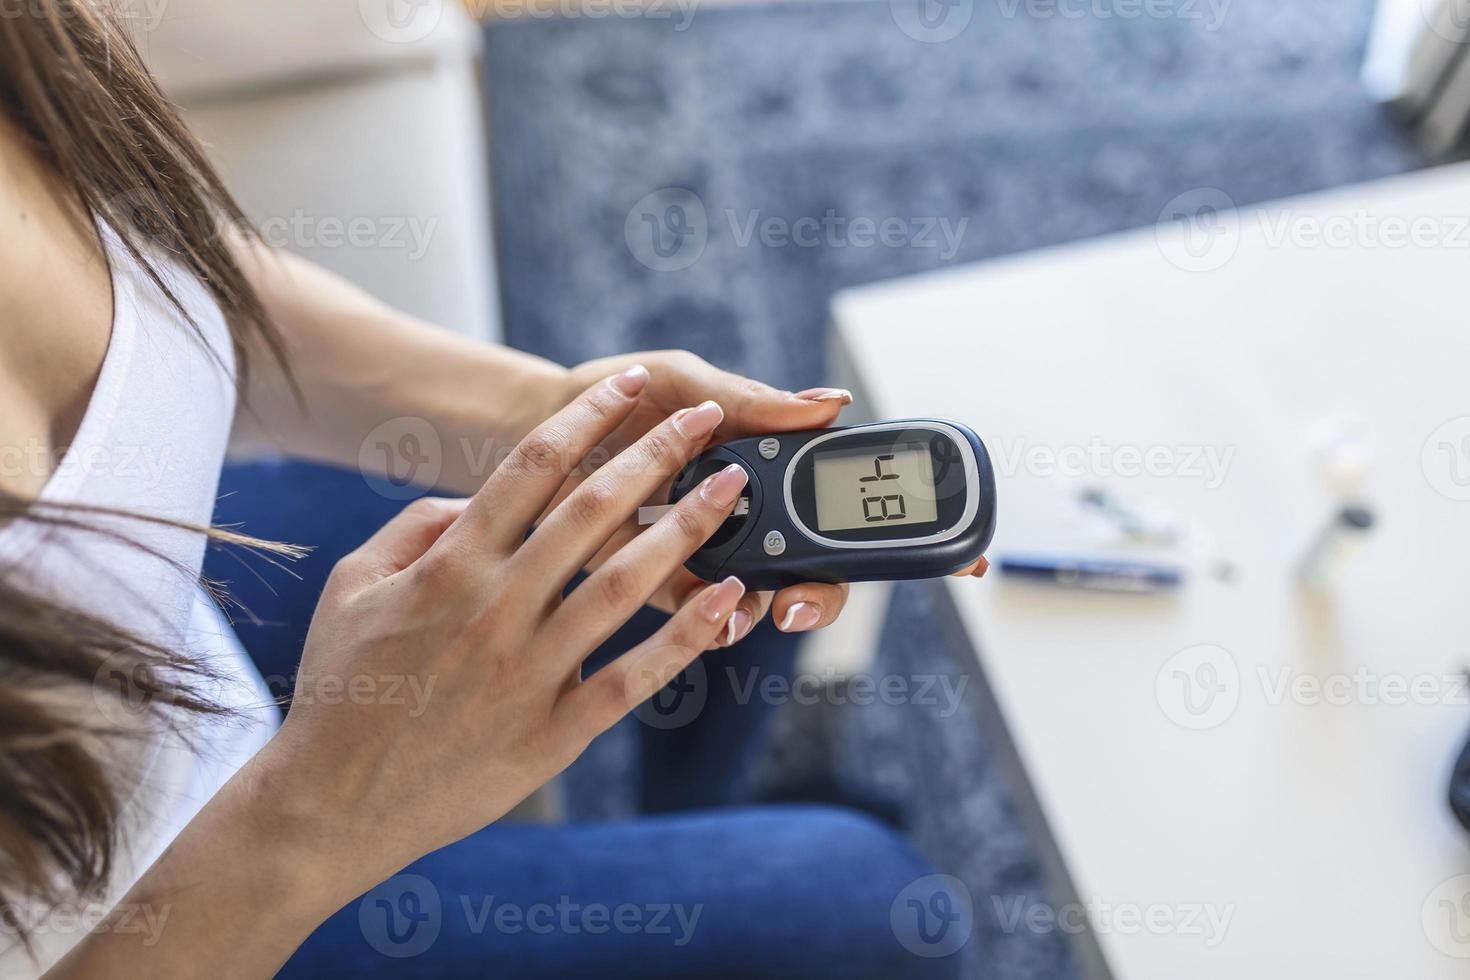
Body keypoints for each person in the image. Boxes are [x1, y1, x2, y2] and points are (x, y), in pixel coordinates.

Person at [0, 3, 986, 976]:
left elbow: (172, 275)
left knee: (710, 553)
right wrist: (318, 809)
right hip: (165, 919)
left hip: (155, 603)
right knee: (873, 901)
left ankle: (677, 830)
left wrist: (547, 412)